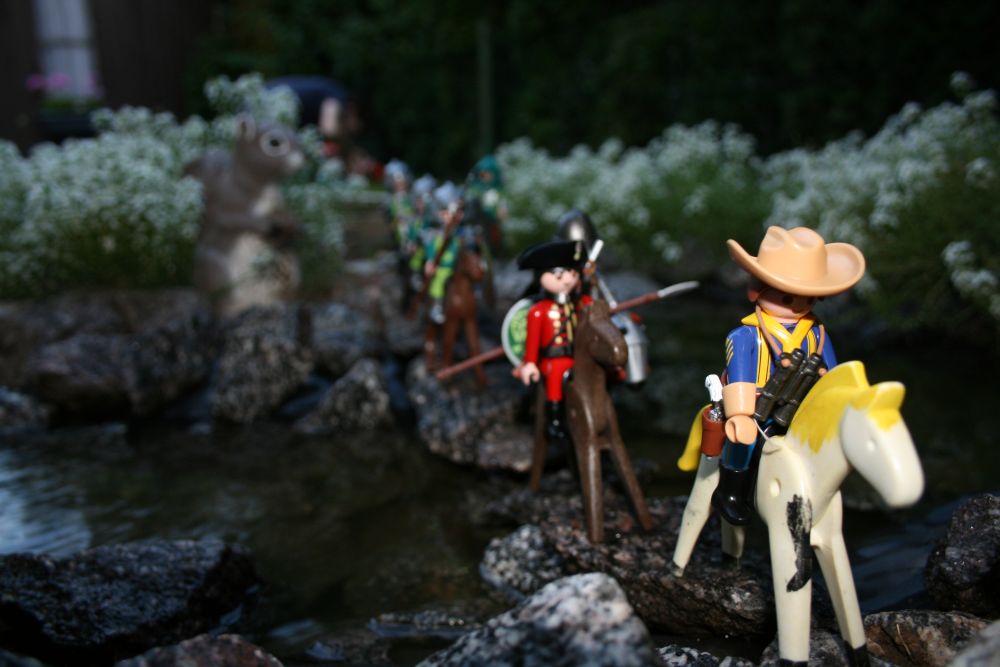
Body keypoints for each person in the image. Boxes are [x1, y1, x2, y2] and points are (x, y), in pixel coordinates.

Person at [713, 226, 865, 526]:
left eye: (808, 298)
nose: (798, 305)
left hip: (802, 404)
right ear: (758, 289)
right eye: (786, 297)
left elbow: (833, 374)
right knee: (745, 440)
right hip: (758, 405)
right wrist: (740, 414)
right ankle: (730, 493)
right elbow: (740, 375)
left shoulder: (817, 334)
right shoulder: (746, 335)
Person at [514, 239, 592, 441]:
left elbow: (590, 306)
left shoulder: (577, 303)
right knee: (556, 376)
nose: (567, 280)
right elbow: (532, 341)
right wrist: (530, 363)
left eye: (572, 273)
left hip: (576, 354)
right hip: (552, 359)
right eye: (559, 275)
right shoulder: (539, 311)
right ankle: (555, 421)